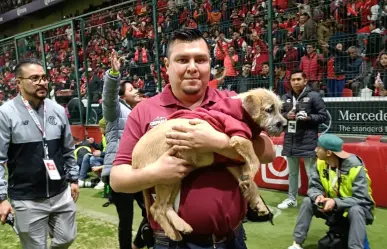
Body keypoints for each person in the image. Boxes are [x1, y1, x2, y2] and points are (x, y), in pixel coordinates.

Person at [110, 28, 276, 249]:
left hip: (232, 239)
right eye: (182, 60)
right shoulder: (144, 111)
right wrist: (157, 172)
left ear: (210, 65)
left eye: (201, 60)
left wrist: (216, 142)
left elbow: (267, 152)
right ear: (166, 65)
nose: (192, 68)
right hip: (171, 243)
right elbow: (118, 179)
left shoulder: (232, 102)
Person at [0, 58, 79, 249]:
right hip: (27, 198)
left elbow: (68, 148)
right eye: (34, 78)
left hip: (60, 193)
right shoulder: (5, 113)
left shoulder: (58, 110)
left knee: (66, 238)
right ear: (18, 82)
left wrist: (73, 178)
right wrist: (1, 198)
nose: (42, 82)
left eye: (44, 77)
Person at [288, 134, 375, 249]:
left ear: (328, 152)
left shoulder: (355, 167)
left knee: (356, 210)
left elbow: (361, 198)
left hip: (358, 208)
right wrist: (317, 196)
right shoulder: (320, 163)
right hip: (334, 205)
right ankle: (296, 243)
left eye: (319, 147)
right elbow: (314, 186)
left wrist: (335, 202)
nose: (315, 150)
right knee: (308, 202)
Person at [102, 58, 146, 249]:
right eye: (130, 89)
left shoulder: (141, 112)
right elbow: (109, 96)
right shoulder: (115, 110)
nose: (136, 90)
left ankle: (136, 245)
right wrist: (113, 74)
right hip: (120, 171)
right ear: (121, 97)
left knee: (153, 212)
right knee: (126, 221)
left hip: (138, 171)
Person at [278, 70, 328, 210]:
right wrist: (286, 115)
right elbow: (279, 114)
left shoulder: (314, 96)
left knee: (311, 173)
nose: (295, 82)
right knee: (292, 173)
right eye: (293, 80)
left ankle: (315, 199)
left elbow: (323, 116)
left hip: (308, 140)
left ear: (305, 81)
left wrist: (308, 118)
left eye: (299, 79)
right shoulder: (286, 97)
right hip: (290, 140)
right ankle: (291, 199)